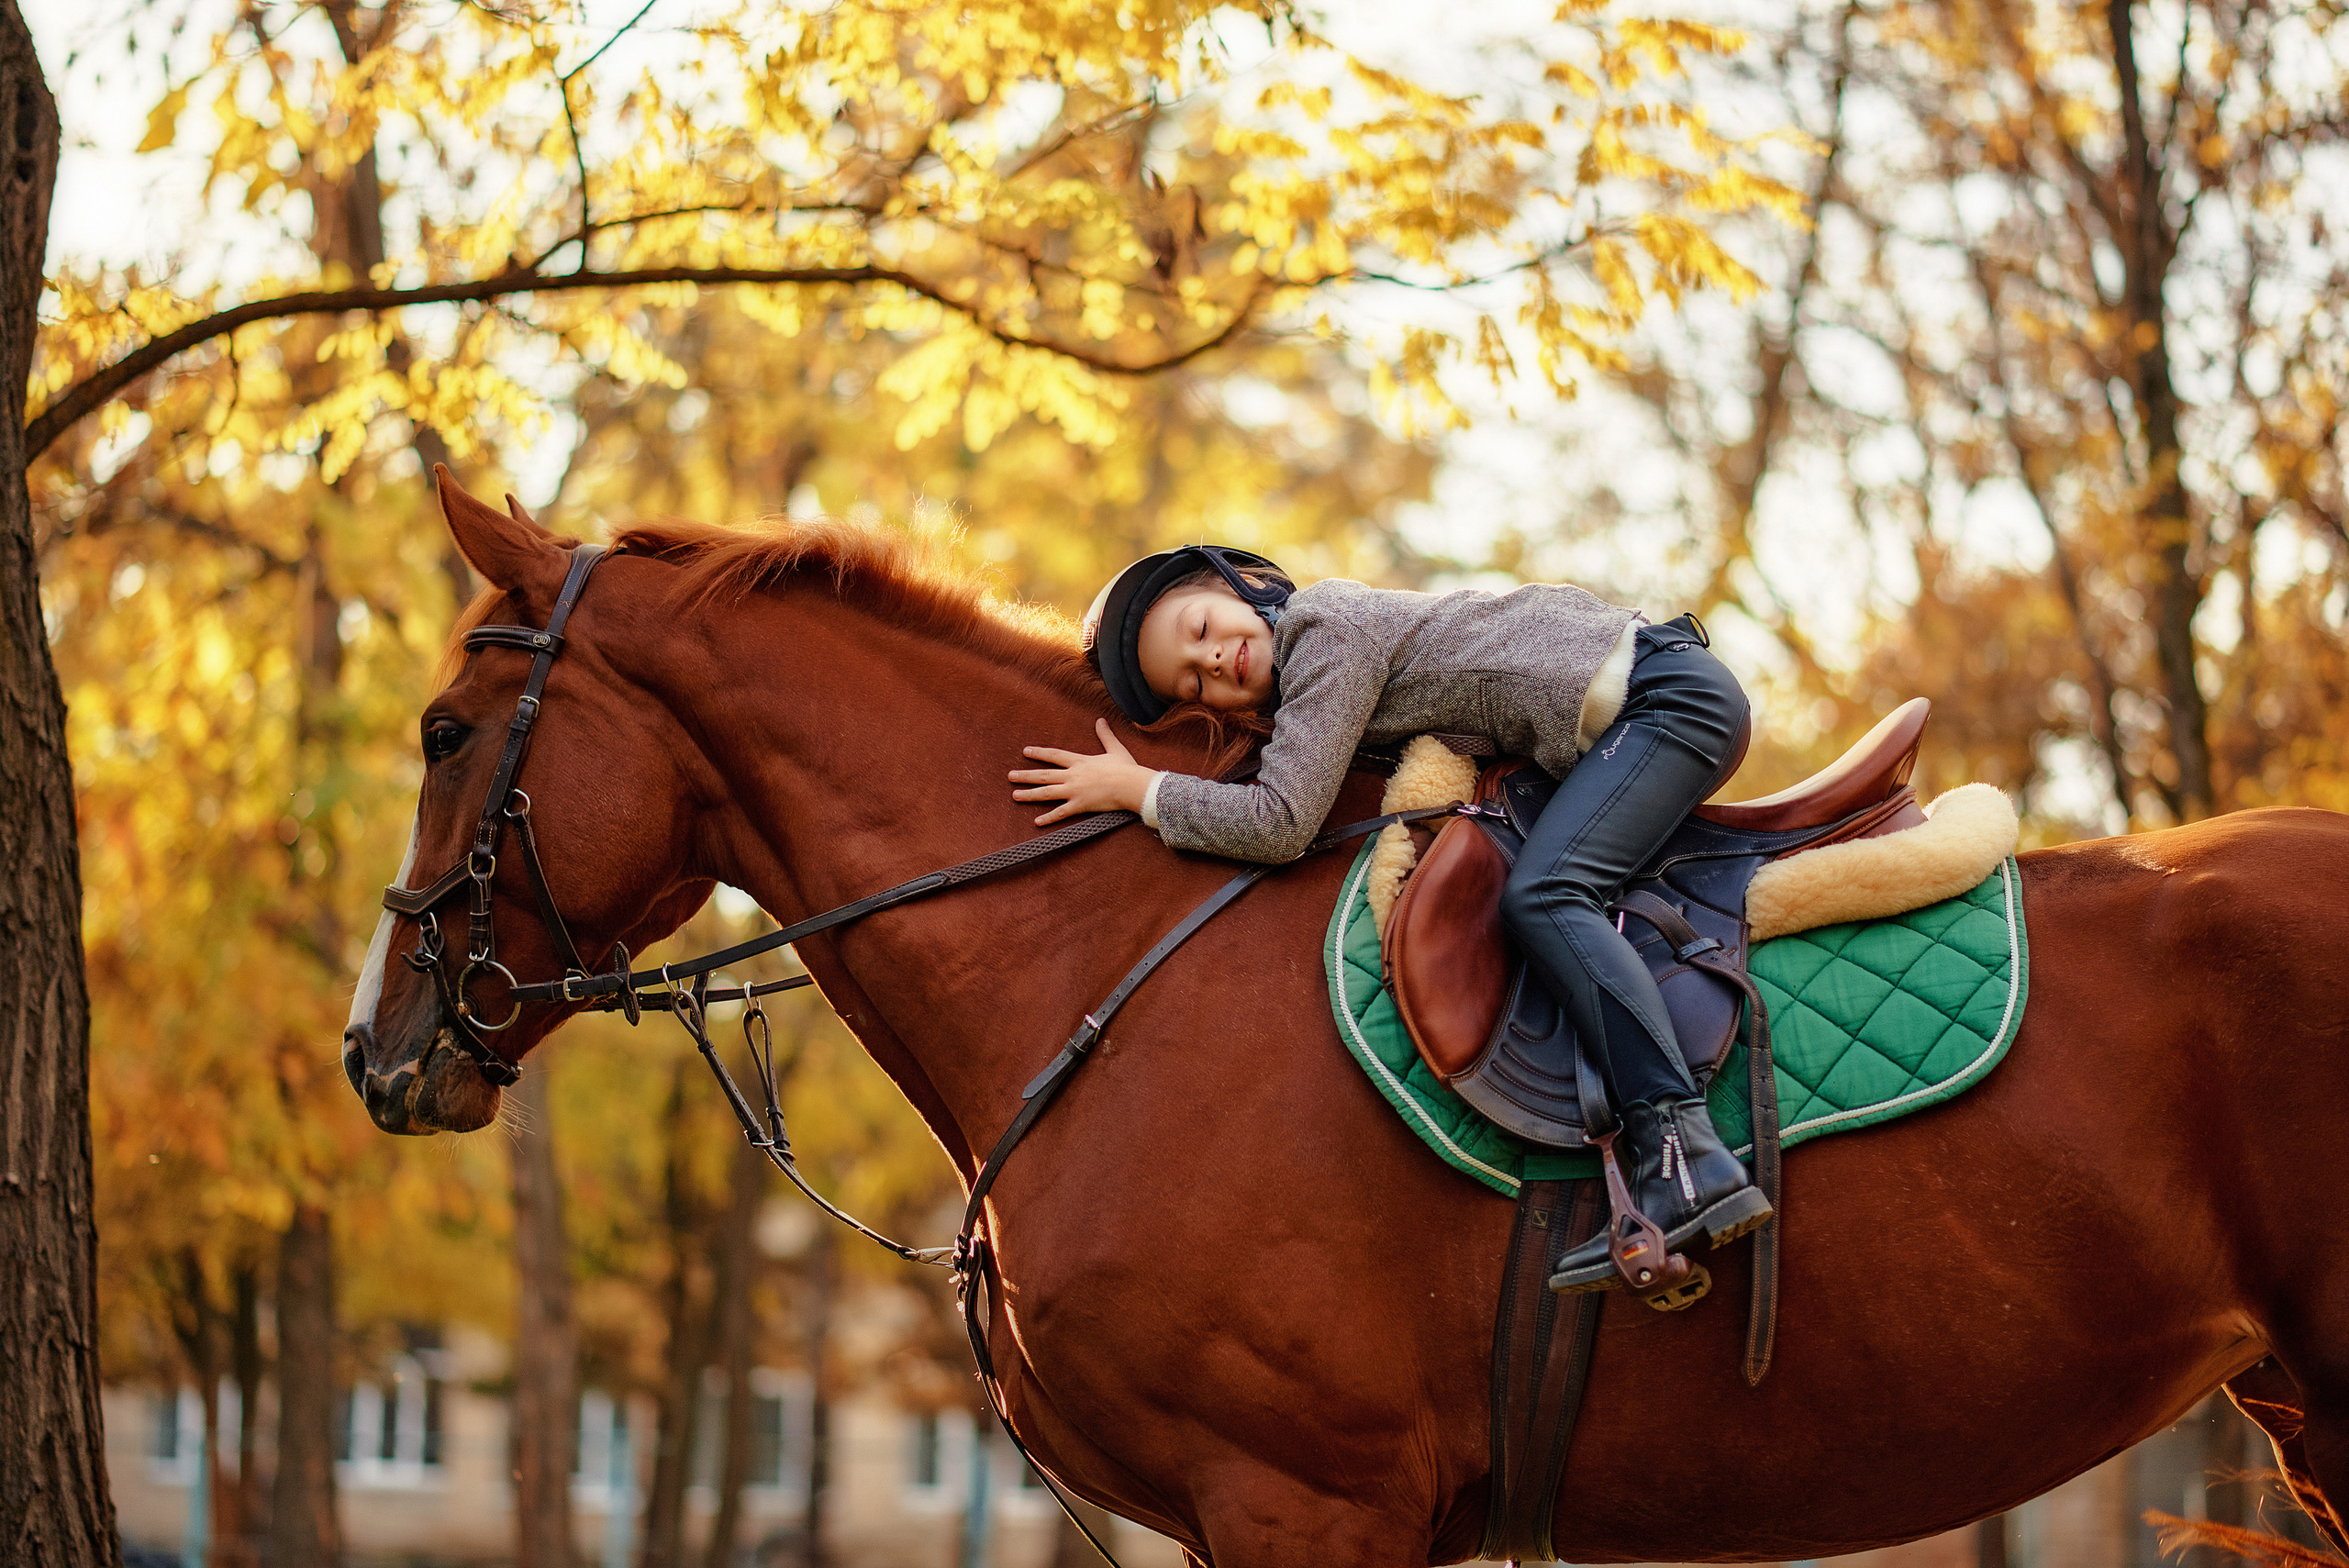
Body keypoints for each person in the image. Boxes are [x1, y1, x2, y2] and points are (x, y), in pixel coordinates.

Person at [1008, 546, 1769, 1294]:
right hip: (1635, 717)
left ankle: (1683, 1152)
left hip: (1664, 701)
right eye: (1194, 681)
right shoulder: (1315, 677)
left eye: (1201, 627)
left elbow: (1280, 822)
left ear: (1242, 584)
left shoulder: (1322, 629)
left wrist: (1140, 790)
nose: (1212, 660)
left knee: (1545, 895)